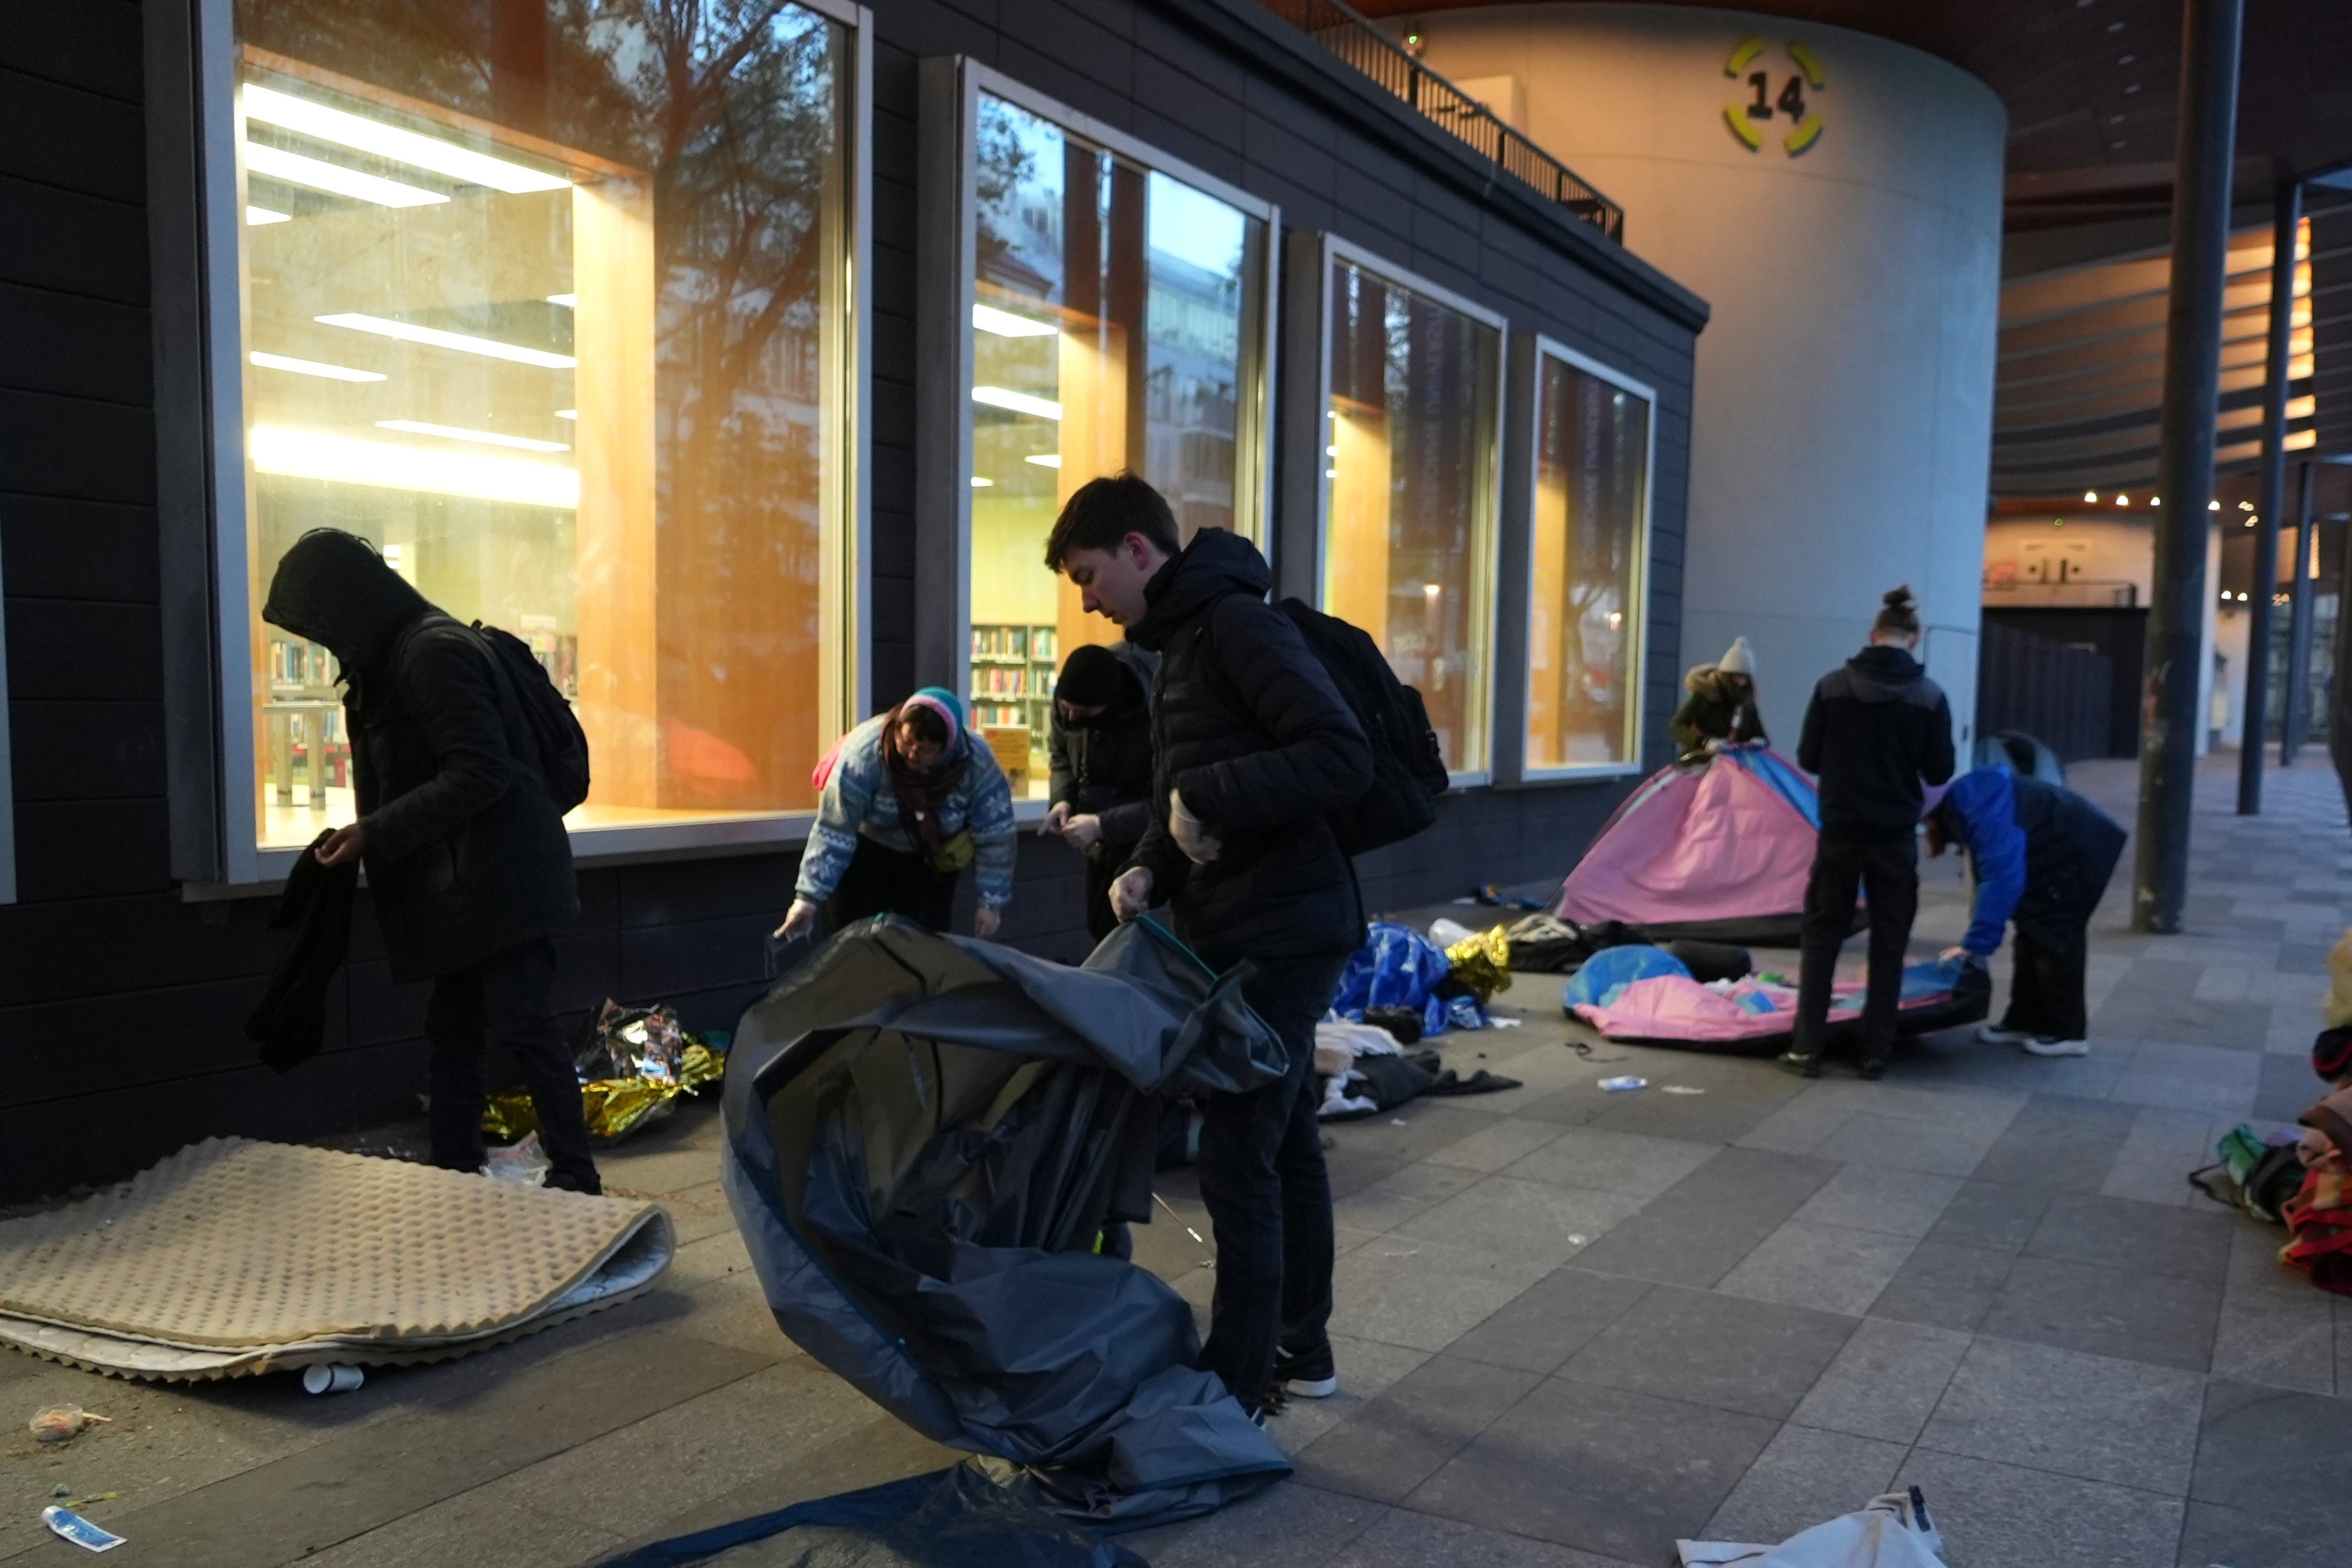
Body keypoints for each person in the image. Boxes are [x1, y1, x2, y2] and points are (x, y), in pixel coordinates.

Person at [1045, 472, 1373, 1420]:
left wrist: (1206, 803)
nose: (1085, 597)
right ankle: (1299, 1348)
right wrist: (1145, 862)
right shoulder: (1176, 646)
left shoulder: (1233, 626)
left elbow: (1335, 753)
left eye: (1088, 572)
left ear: (1139, 551)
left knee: (1237, 1154)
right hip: (1247, 923)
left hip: (1284, 929)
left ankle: (1233, 1383)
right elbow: (1184, 786)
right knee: (1282, 1146)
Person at [260, 529, 601, 1193]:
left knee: (519, 1026)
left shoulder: (431, 654)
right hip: (471, 882)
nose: (326, 643)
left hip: (500, 880)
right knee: (457, 1028)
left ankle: (574, 1177)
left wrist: (371, 834)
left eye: (321, 624)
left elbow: (479, 772)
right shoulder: (405, 652)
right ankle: (456, 1169)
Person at [1782, 587, 1955, 1080]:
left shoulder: (1832, 686)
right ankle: (1874, 1051)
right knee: (1889, 940)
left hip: (1839, 831)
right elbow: (1940, 771)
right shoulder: (1929, 697)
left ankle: (1805, 1047)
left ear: (1871, 635)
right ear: (1913, 639)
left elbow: (1808, 758)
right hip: (1894, 836)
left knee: (1821, 935)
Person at [776, 689, 1015, 943]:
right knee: (849, 948)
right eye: (907, 741)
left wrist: (990, 904)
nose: (912, 754)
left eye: (924, 750)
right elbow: (835, 828)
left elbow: (996, 834)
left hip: (930, 862)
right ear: (898, 727)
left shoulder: (978, 764)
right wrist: (807, 899)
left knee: (923, 951)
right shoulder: (864, 754)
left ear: (948, 749)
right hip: (865, 856)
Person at [1926, 764, 2126, 1059]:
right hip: (2061, 846)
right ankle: (2024, 1020)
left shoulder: (1980, 809)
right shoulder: (1966, 801)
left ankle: (2067, 1032)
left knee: (2054, 937)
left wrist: (1975, 946)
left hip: (2079, 850)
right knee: (2031, 932)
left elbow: (2001, 879)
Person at [1041, 641, 1158, 943]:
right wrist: (1063, 800)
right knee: (1100, 926)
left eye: (1083, 711)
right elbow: (1060, 755)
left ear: (1112, 703)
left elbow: (1164, 802)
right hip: (1099, 846)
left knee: (1131, 934)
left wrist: (1102, 823)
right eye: (1067, 709)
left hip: (1148, 845)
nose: (1073, 719)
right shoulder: (1071, 698)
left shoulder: (1156, 715)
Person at [1669, 636, 1767, 756]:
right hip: (1702, 763)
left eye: (1745, 678)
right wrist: (1705, 742)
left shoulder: (1746, 702)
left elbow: (1760, 734)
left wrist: (1758, 741)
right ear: (1725, 677)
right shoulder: (1705, 696)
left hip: (1734, 767)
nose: (1742, 682)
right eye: (1737, 677)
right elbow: (1677, 727)